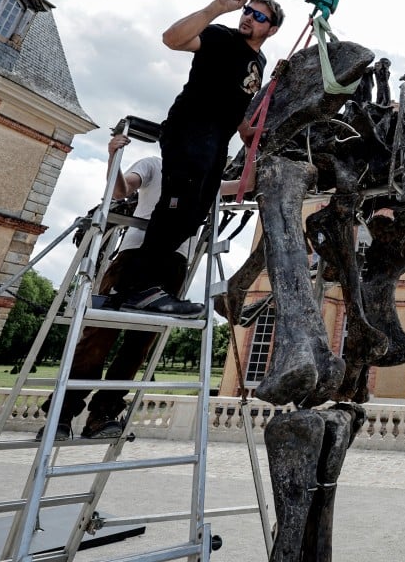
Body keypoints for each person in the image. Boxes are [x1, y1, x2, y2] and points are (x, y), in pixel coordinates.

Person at [41, 133, 253, 440]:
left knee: (138, 348)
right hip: (133, 258)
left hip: (174, 267)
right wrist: (114, 157)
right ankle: (61, 414)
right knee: (98, 338)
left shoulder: (208, 181)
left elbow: (247, 186)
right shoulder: (154, 165)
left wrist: (252, 145)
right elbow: (121, 189)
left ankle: (102, 416)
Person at [112, 0, 281, 314]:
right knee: (180, 202)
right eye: (248, 10)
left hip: (217, 140)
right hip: (190, 129)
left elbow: (234, 102)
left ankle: (148, 287)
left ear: (272, 29)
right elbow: (171, 39)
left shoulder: (258, 63)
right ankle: (136, 288)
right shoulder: (221, 37)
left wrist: (247, 130)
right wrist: (216, 7)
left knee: (194, 214)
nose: (248, 16)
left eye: (259, 16)